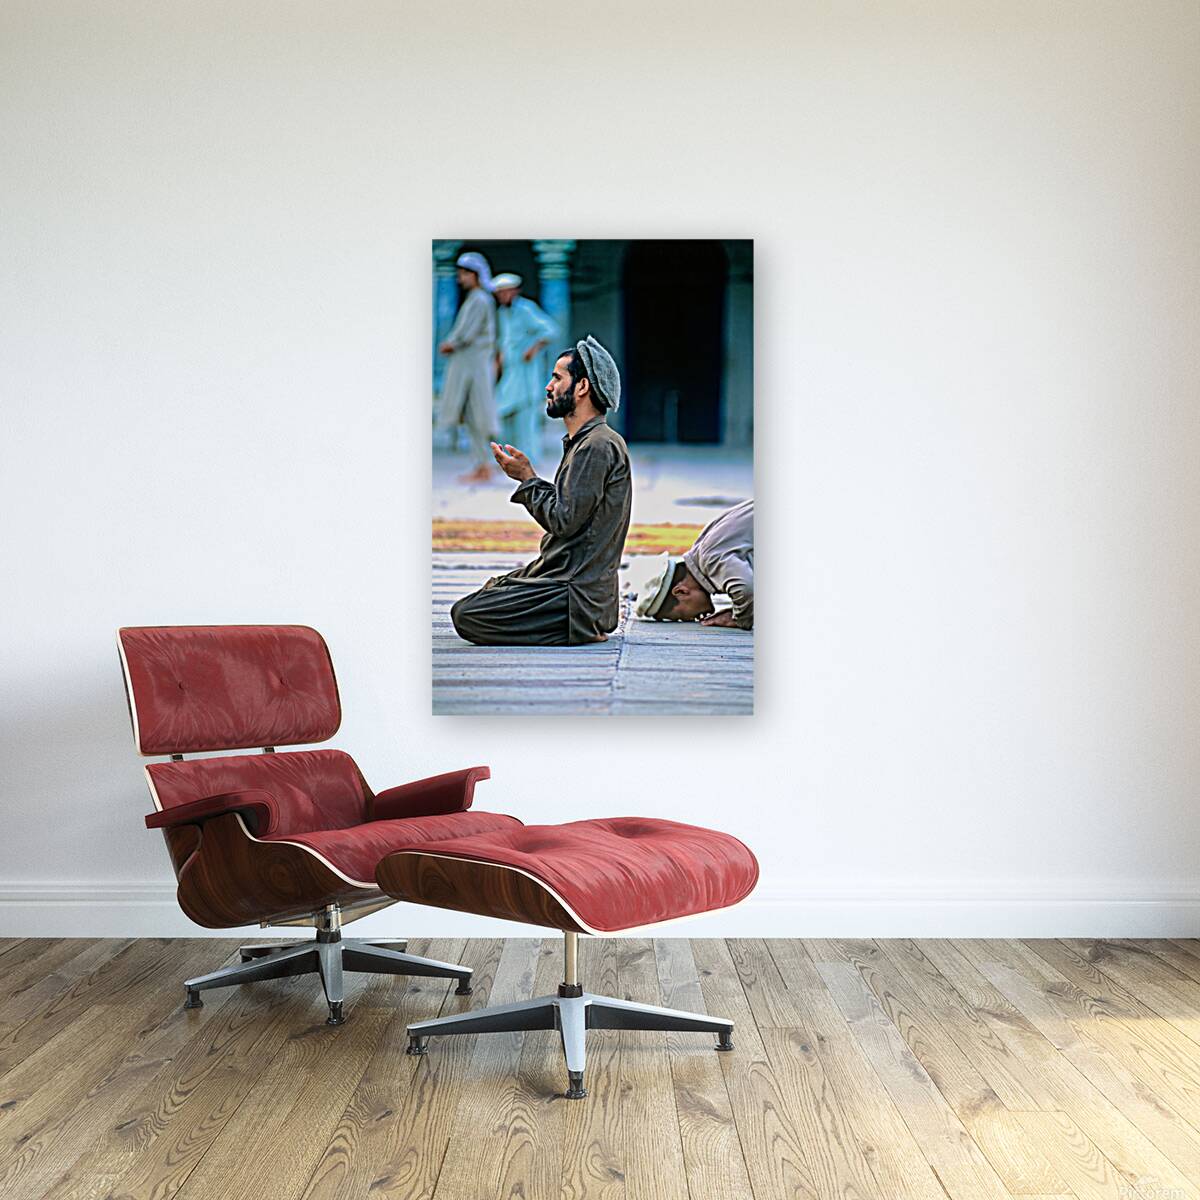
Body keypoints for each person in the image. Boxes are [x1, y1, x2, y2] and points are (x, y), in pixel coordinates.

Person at [450, 336, 631, 646]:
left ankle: (580, 627)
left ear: (582, 387)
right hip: (572, 584)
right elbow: (573, 515)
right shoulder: (589, 442)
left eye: (557, 378)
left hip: (575, 594)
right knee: (494, 589)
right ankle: (581, 621)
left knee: (467, 614)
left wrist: (527, 479)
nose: (549, 387)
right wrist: (527, 478)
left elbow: (564, 520)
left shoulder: (596, 446)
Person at [635, 499, 753, 629]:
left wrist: (739, 618)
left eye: (680, 617)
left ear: (681, 591)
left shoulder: (710, 559)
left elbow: (747, 590)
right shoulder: (704, 547)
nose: (692, 619)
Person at [437, 251, 498, 485]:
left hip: (476, 364)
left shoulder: (480, 299)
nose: (460, 279)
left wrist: (451, 344)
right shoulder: (474, 299)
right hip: (469, 364)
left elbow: (466, 334)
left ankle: (485, 466)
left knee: (480, 413)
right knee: (472, 414)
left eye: (463, 274)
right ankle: (481, 464)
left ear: (474, 275)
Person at [491, 273, 560, 461]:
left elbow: (551, 329)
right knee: (502, 411)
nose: (502, 297)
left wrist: (534, 347)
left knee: (526, 416)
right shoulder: (502, 313)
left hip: (525, 371)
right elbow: (503, 341)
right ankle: (505, 456)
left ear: (514, 291)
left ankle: (529, 458)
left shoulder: (526, 309)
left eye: (505, 292)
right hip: (510, 372)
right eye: (499, 293)